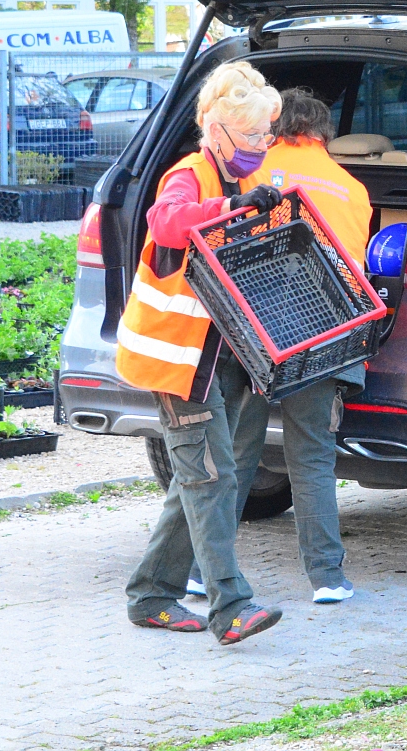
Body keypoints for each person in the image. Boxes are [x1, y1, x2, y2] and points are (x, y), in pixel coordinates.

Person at [120, 61, 288, 645]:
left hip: (208, 359)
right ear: (217, 132)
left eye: (267, 136)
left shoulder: (227, 181)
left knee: (195, 478)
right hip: (175, 361)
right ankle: (229, 607)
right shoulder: (190, 177)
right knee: (211, 478)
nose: (260, 147)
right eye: (252, 137)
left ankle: (150, 596)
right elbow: (166, 224)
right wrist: (231, 211)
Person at [187, 88, 373, 605]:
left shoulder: (254, 174)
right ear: (324, 133)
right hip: (324, 328)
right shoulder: (353, 187)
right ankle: (328, 579)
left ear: (274, 125)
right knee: (312, 456)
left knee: (236, 454)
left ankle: (203, 573)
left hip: (258, 328)